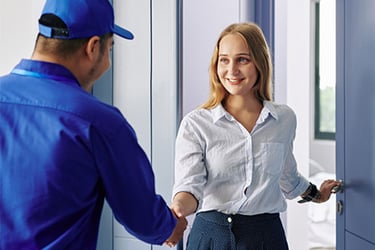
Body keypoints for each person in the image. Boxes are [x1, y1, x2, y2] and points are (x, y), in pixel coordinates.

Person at [0, 0, 186, 249]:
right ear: (93, 47)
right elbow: (142, 217)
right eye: (110, 47)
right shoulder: (98, 121)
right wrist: (171, 227)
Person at [169, 22, 340, 250]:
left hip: (266, 237)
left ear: (260, 62)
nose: (232, 70)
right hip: (211, 238)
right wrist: (177, 209)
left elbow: (287, 177)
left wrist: (318, 195)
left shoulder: (284, 119)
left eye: (243, 59)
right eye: (224, 60)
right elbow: (189, 186)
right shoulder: (196, 124)